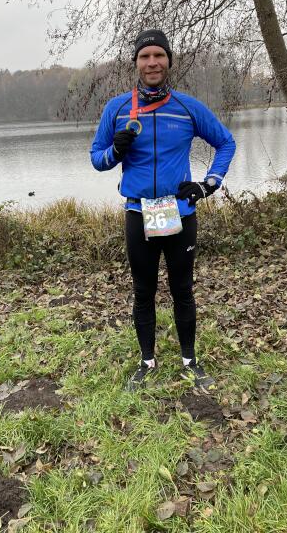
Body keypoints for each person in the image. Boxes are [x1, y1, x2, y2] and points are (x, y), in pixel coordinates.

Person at [90, 29, 236, 391]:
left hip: (179, 213)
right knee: (143, 292)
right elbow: (97, 160)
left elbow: (226, 142)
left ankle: (190, 362)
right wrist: (116, 152)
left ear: (169, 60)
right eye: (145, 56)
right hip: (138, 214)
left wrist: (208, 184)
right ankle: (146, 363)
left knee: (182, 289)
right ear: (136, 63)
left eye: (159, 55)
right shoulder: (117, 109)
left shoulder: (186, 107)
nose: (152, 62)